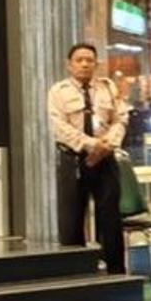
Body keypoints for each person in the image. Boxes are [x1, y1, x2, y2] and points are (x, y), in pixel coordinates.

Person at [46, 41, 127, 274]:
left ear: (96, 64)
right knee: (72, 217)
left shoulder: (107, 88)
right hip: (74, 159)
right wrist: (91, 144)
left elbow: (120, 119)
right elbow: (59, 127)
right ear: (69, 65)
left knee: (110, 216)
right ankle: (76, 272)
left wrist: (108, 143)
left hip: (105, 158)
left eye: (89, 60)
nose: (84, 64)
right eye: (79, 60)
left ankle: (116, 271)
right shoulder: (58, 91)